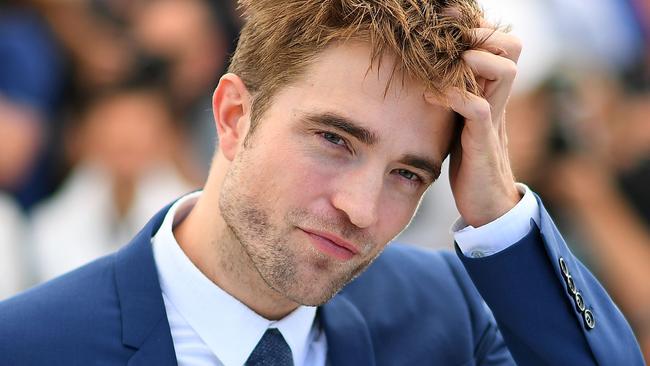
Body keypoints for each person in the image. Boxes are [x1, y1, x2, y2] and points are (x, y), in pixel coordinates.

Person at [0, 0, 644, 365]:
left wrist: (498, 210)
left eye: (407, 173)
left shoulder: (447, 315)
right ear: (232, 115)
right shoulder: (30, 345)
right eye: (335, 140)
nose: (361, 208)